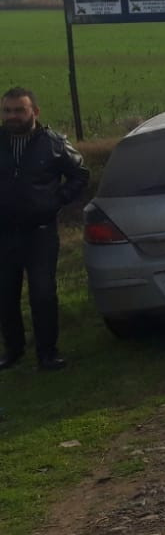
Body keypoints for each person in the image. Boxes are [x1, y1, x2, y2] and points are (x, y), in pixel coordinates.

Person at [1, 88, 89, 371]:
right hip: (4, 233)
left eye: (19, 110)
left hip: (40, 232)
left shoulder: (54, 143)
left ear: (35, 112)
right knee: (5, 295)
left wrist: (57, 200)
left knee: (42, 294)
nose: (12, 116)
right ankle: (13, 350)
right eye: (7, 110)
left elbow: (80, 174)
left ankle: (47, 353)